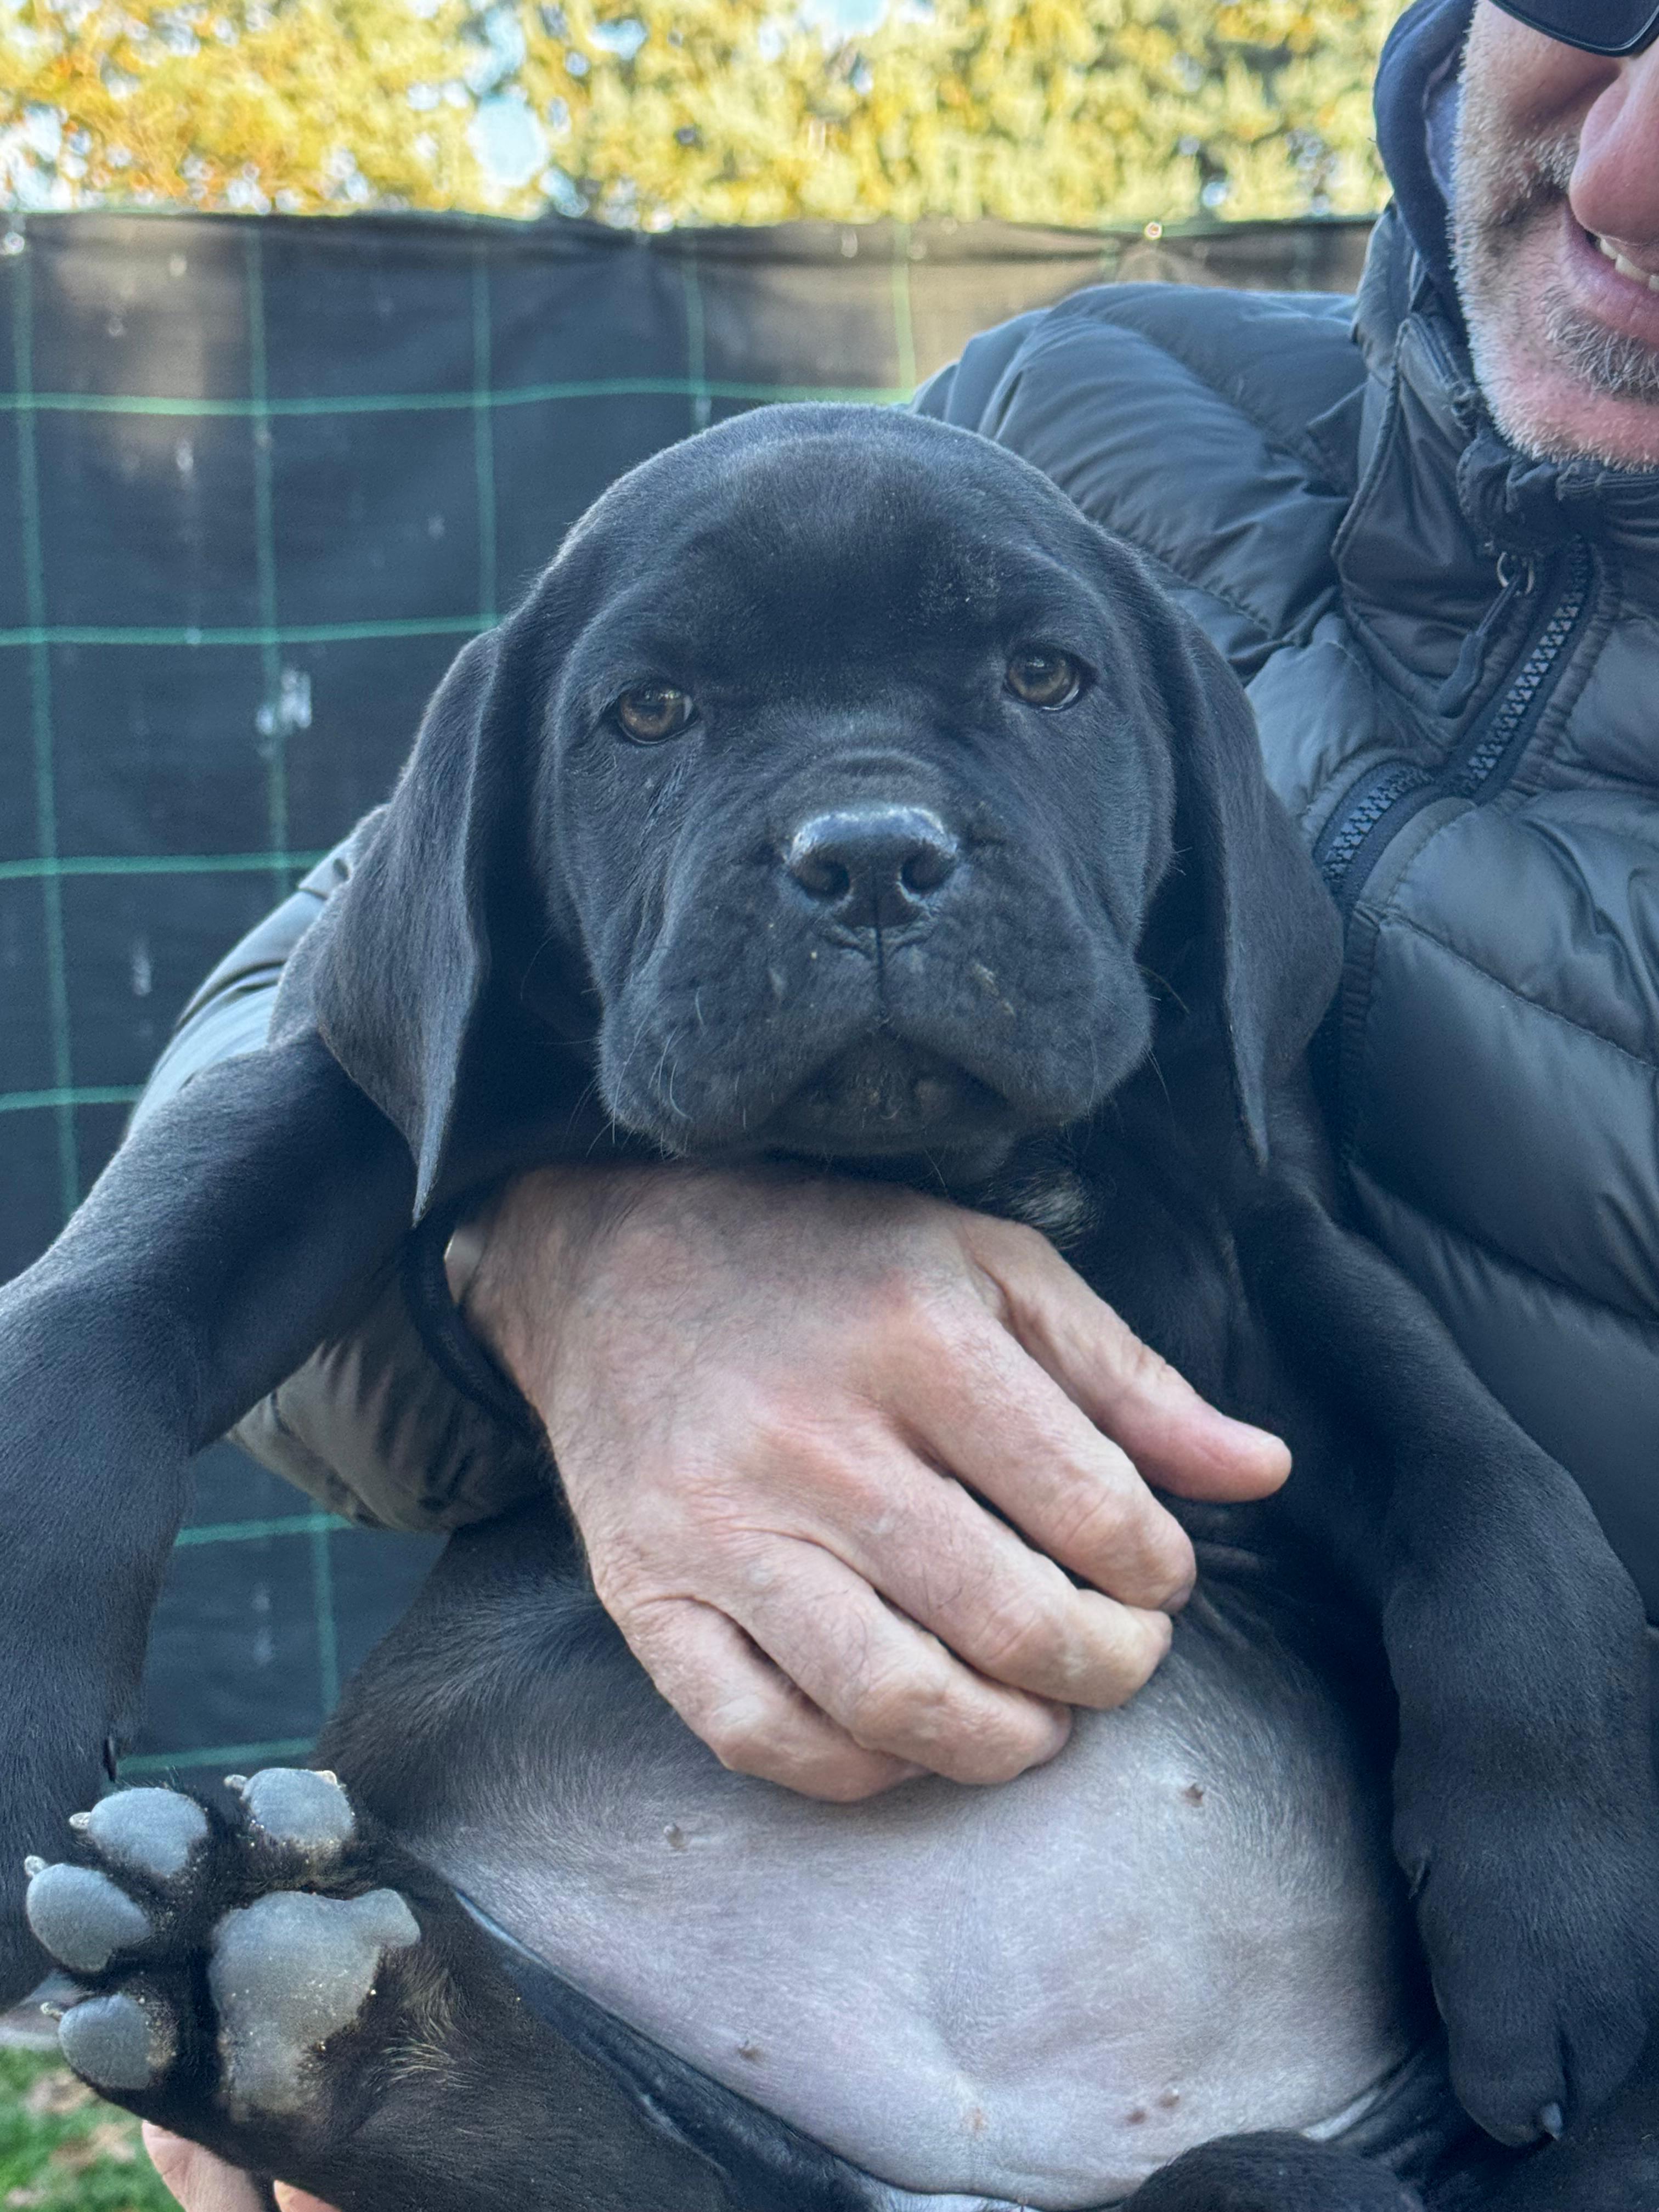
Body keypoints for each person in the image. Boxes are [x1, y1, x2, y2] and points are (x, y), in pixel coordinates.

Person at [137, 0, 1659, 2201]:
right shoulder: (1083, 439)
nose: (1625, 166)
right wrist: (574, 1263)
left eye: (1033, 687)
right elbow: (328, 1021)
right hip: (656, 1922)